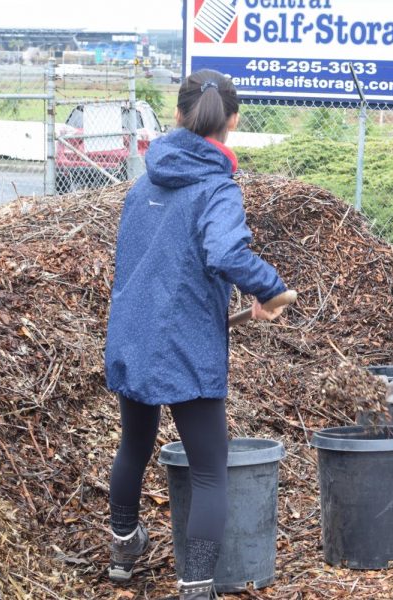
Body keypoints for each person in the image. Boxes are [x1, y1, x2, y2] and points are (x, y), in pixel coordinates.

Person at [103, 70, 287, 600]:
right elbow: (226, 254)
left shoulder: (145, 183)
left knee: (133, 445)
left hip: (133, 332)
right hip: (184, 341)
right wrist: (269, 289)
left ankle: (123, 547)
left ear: (179, 115)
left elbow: (150, 261)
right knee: (209, 469)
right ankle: (196, 584)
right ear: (232, 121)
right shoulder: (216, 188)